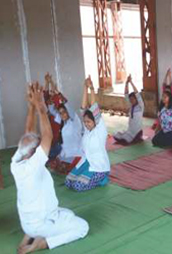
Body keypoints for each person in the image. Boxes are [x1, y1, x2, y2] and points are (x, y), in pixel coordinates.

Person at [11, 82, 88, 254]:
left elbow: (28, 133)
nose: (39, 145)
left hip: (28, 222)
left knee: (67, 212)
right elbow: (48, 135)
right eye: (37, 146)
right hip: (43, 224)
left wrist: (31, 107)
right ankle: (42, 243)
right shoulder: (34, 164)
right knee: (82, 227)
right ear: (33, 152)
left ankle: (29, 234)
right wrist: (41, 107)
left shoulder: (16, 161)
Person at [65, 76, 110, 192]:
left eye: (89, 122)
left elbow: (94, 108)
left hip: (99, 167)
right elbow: (83, 108)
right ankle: (91, 178)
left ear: (95, 121)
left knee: (78, 186)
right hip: (87, 162)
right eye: (85, 122)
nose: (86, 124)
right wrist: (84, 87)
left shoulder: (100, 129)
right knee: (68, 181)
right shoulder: (87, 130)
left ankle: (102, 178)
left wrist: (91, 89)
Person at [113, 75, 144, 144]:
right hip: (130, 130)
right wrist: (127, 83)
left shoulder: (140, 106)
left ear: (136, 99)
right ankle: (129, 137)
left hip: (137, 131)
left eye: (133, 99)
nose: (131, 101)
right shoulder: (131, 106)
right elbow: (126, 94)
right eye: (130, 100)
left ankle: (136, 137)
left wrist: (131, 82)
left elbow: (137, 94)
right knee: (116, 135)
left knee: (125, 140)